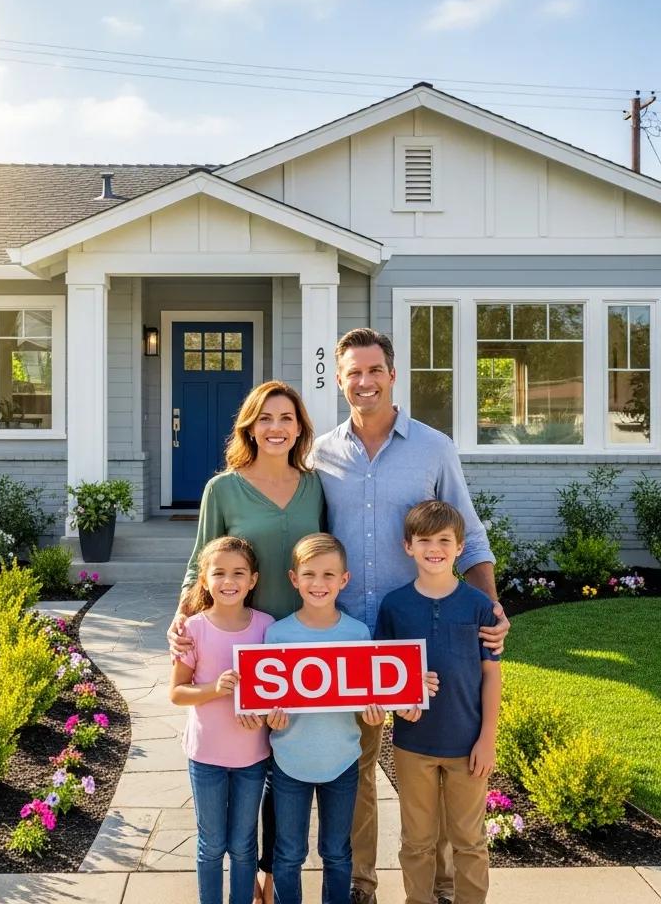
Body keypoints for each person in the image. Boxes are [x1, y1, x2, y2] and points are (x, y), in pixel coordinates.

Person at [310, 327, 510, 904]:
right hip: (352, 638)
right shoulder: (321, 454)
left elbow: (468, 536)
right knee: (360, 770)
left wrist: (491, 607)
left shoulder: (433, 447)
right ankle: (360, 884)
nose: (364, 381)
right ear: (341, 379)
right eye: (353, 372)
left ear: (392, 374)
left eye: (374, 370)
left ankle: (444, 887)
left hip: (427, 637)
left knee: (441, 758)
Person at [169, 380, 325, 904]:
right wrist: (181, 619)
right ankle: (246, 873)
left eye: (286, 418)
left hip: (298, 642)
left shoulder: (315, 485)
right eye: (265, 418)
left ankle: (270, 872)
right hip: (244, 644)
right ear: (250, 427)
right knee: (247, 752)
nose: (276, 428)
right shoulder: (223, 488)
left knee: (286, 762)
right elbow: (200, 562)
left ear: (300, 426)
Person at [375, 501, 500, 904]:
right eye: (424, 540)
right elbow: (383, 675)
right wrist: (398, 703)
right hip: (413, 744)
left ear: (460, 547)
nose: (435, 548)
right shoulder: (394, 606)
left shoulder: (477, 605)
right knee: (417, 841)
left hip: (467, 745)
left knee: (469, 841)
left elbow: (491, 675)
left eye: (444, 540)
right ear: (407, 546)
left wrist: (488, 738)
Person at [263, 533, 387, 904]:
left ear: (344, 580)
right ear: (293, 579)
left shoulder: (357, 634)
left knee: (336, 852)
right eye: (310, 574)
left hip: (342, 761)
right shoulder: (277, 634)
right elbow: (265, 703)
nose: (319, 584)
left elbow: (368, 699)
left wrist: (375, 715)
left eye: (329, 575)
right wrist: (271, 719)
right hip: (289, 761)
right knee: (288, 854)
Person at [169, 536, 275, 904]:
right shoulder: (193, 629)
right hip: (206, 756)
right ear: (204, 580)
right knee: (212, 843)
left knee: (244, 844)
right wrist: (215, 688)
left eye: (238, 573)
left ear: (253, 580)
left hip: (252, 756)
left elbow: (277, 691)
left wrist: (262, 713)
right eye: (219, 573)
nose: (229, 581)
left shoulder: (267, 627)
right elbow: (177, 692)